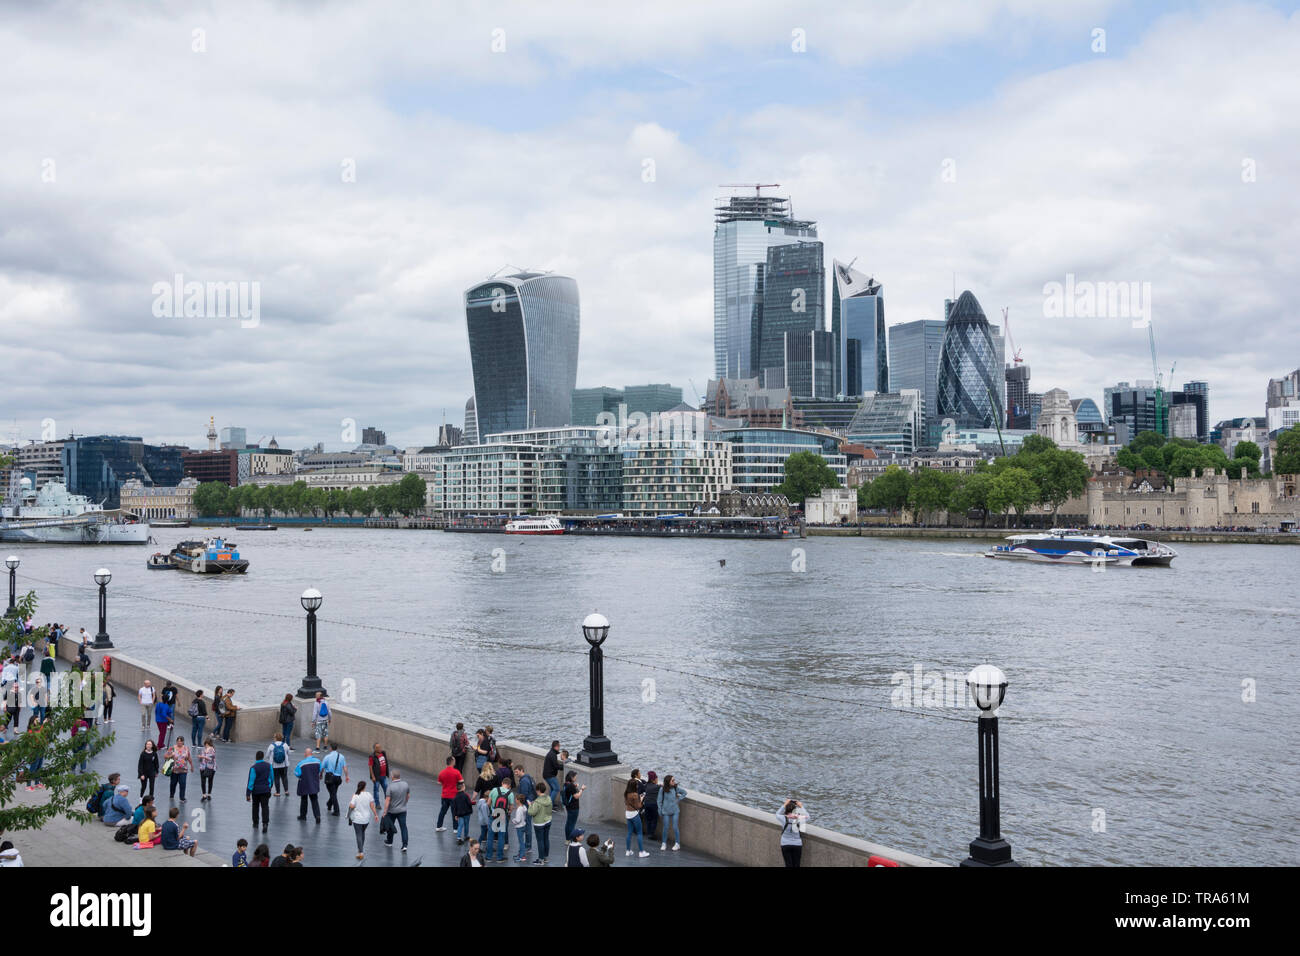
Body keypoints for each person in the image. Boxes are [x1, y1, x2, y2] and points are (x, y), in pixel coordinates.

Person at [346, 780, 379, 860]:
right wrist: (375, 815)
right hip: (366, 819)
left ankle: (360, 852)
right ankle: (360, 850)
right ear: (365, 787)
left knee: (358, 834)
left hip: (357, 819)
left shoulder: (355, 795)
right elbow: (372, 806)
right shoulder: (369, 795)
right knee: (362, 833)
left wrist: (348, 816)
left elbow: (351, 806)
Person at [486, 777, 514, 862]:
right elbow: (511, 807)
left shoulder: (494, 790)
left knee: (490, 836)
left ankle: (488, 857)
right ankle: (499, 857)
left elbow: (488, 803)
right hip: (502, 815)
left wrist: (492, 809)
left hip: (494, 813)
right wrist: (508, 813)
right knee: (501, 836)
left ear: (502, 783)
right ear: (509, 785)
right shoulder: (510, 794)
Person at [246, 749, 273, 834]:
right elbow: (272, 777)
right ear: (263, 757)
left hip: (256, 791)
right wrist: (270, 787)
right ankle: (265, 823)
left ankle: (255, 823)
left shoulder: (253, 768)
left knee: (255, 806)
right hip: (265, 790)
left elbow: (251, 781)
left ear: (256, 757)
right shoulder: (269, 766)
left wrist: (248, 793)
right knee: (265, 807)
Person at [382, 769, 410, 851]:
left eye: (391, 775)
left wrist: (384, 811)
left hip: (392, 811)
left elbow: (387, 800)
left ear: (393, 777)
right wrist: (404, 803)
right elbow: (408, 796)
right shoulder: (405, 784)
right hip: (402, 810)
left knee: (391, 826)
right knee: (403, 827)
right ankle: (404, 845)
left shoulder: (390, 787)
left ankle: (389, 842)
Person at [777, 799, 810, 868]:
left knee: (788, 864)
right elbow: (808, 817)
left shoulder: (783, 818)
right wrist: (801, 806)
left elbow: (777, 814)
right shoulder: (799, 819)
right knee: (797, 864)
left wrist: (784, 804)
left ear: (786, 809)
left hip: (785, 844)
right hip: (797, 844)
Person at [527, 781, 554, 865]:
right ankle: (545, 857)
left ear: (538, 790)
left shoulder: (537, 802)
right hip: (548, 821)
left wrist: (530, 805)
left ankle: (541, 859)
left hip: (539, 823)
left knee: (540, 841)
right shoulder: (549, 798)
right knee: (546, 839)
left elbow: (531, 812)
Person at [294, 747, 323, 823]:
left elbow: (297, 773)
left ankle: (303, 816)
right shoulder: (318, 761)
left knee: (304, 800)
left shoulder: (301, 763)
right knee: (314, 800)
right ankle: (317, 816)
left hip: (304, 784)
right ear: (311, 754)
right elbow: (320, 769)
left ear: (305, 754)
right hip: (314, 783)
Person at [659, 775, 687, 851]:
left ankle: (677, 844)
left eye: (674, 780)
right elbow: (659, 801)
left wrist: (678, 799)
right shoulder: (662, 789)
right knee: (666, 827)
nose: (674, 782)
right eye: (672, 780)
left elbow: (684, 793)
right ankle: (664, 843)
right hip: (666, 811)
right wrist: (660, 811)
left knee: (675, 827)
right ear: (668, 782)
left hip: (675, 811)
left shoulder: (675, 788)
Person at [435, 755, 462, 832]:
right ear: (452, 762)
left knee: (442, 812)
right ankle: (455, 829)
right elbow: (461, 782)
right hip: (453, 795)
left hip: (444, 795)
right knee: (455, 812)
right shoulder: (456, 772)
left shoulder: (442, 772)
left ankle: (438, 826)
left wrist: (445, 784)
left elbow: (439, 782)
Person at [320, 742, 348, 815]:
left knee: (333, 794)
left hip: (330, 778)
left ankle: (336, 810)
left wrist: (320, 775)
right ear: (337, 748)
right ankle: (329, 803)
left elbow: (322, 767)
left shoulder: (327, 757)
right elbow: (344, 767)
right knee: (333, 793)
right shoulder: (341, 756)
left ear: (330, 748)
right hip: (338, 778)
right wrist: (347, 776)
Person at [624, 779, 649, 857]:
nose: (637, 786)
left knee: (629, 833)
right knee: (639, 833)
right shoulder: (635, 794)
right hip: (634, 814)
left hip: (627, 813)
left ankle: (628, 851)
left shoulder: (626, 793)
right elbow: (639, 806)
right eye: (636, 785)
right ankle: (641, 852)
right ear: (634, 786)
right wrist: (641, 799)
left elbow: (626, 803)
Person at [167, 737, 193, 802]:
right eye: (178, 741)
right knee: (173, 783)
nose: (179, 742)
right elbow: (165, 756)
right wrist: (171, 755)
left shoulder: (186, 748)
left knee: (183, 783)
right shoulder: (172, 748)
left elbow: (189, 757)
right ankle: (171, 795)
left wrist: (192, 766)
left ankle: (182, 798)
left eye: (180, 741)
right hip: (174, 770)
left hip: (183, 769)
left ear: (183, 742)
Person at [562, 772, 586, 841]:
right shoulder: (571, 786)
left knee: (568, 823)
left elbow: (569, 792)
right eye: (575, 777)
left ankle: (567, 839)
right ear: (572, 778)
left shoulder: (566, 784)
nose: (576, 778)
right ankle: (572, 840)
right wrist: (582, 789)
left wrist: (575, 787)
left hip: (568, 806)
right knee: (572, 824)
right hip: (574, 808)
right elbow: (577, 796)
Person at [542, 741, 564, 815]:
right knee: (556, 788)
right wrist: (564, 766)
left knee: (552, 789)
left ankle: (550, 804)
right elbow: (556, 766)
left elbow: (555, 765)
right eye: (559, 746)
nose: (559, 748)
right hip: (549, 775)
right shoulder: (552, 755)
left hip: (547, 774)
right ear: (556, 747)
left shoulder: (552, 753)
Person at [268, 732, 290, 796]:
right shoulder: (285, 745)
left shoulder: (271, 745)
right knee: (284, 777)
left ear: (275, 738)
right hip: (284, 765)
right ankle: (286, 791)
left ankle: (278, 792)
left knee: (276, 778)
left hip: (275, 765)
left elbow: (267, 755)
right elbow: (288, 753)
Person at [642, 771, 661, 843]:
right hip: (653, 805)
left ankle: (649, 832)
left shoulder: (646, 785)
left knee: (648, 819)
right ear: (654, 779)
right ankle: (651, 834)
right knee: (654, 819)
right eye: (657, 778)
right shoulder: (657, 787)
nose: (657, 780)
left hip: (646, 804)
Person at [368, 743, 390, 807]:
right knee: (376, 790)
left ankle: (388, 803)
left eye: (380, 747)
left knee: (386, 790)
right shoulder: (372, 757)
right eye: (378, 747)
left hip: (383, 776)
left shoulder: (383, 753)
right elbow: (370, 766)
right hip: (376, 777)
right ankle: (377, 804)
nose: (380, 748)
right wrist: (372, 776)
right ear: (375, 749)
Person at [451, 780, 472, 845]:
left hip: (459, 814)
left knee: (460, 825)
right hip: (467, 813)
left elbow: (454, 808)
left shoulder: (455, 797)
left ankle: (459, 838)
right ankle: (466, 836)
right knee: (466, 825)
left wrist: (455, 815)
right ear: (463, 788)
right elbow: (469, 803)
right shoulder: (466, 795)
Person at [511, 794, 530, 863]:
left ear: (518, 800)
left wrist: (513, 820)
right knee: (522, 841)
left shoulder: (519, 809)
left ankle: (522, 856)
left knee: (521, 842)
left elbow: (518, 820)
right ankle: (520, 854)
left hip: (519, 827)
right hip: (523, 825)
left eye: (516, 799)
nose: (515, 800)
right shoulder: (524, 807)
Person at [198, 736, 217, 801]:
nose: (206, 745)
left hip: (210, 767)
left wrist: (202, 756)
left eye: (207, 744)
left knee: (210, 781)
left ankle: (209, 794)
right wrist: (200, 758)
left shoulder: (212, 750)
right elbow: (201, 759)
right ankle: (204, 795)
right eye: (205, 744)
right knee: (203, 781)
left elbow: (210, 759)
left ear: (210, 744)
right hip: (203, 767)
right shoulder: (203, 749)